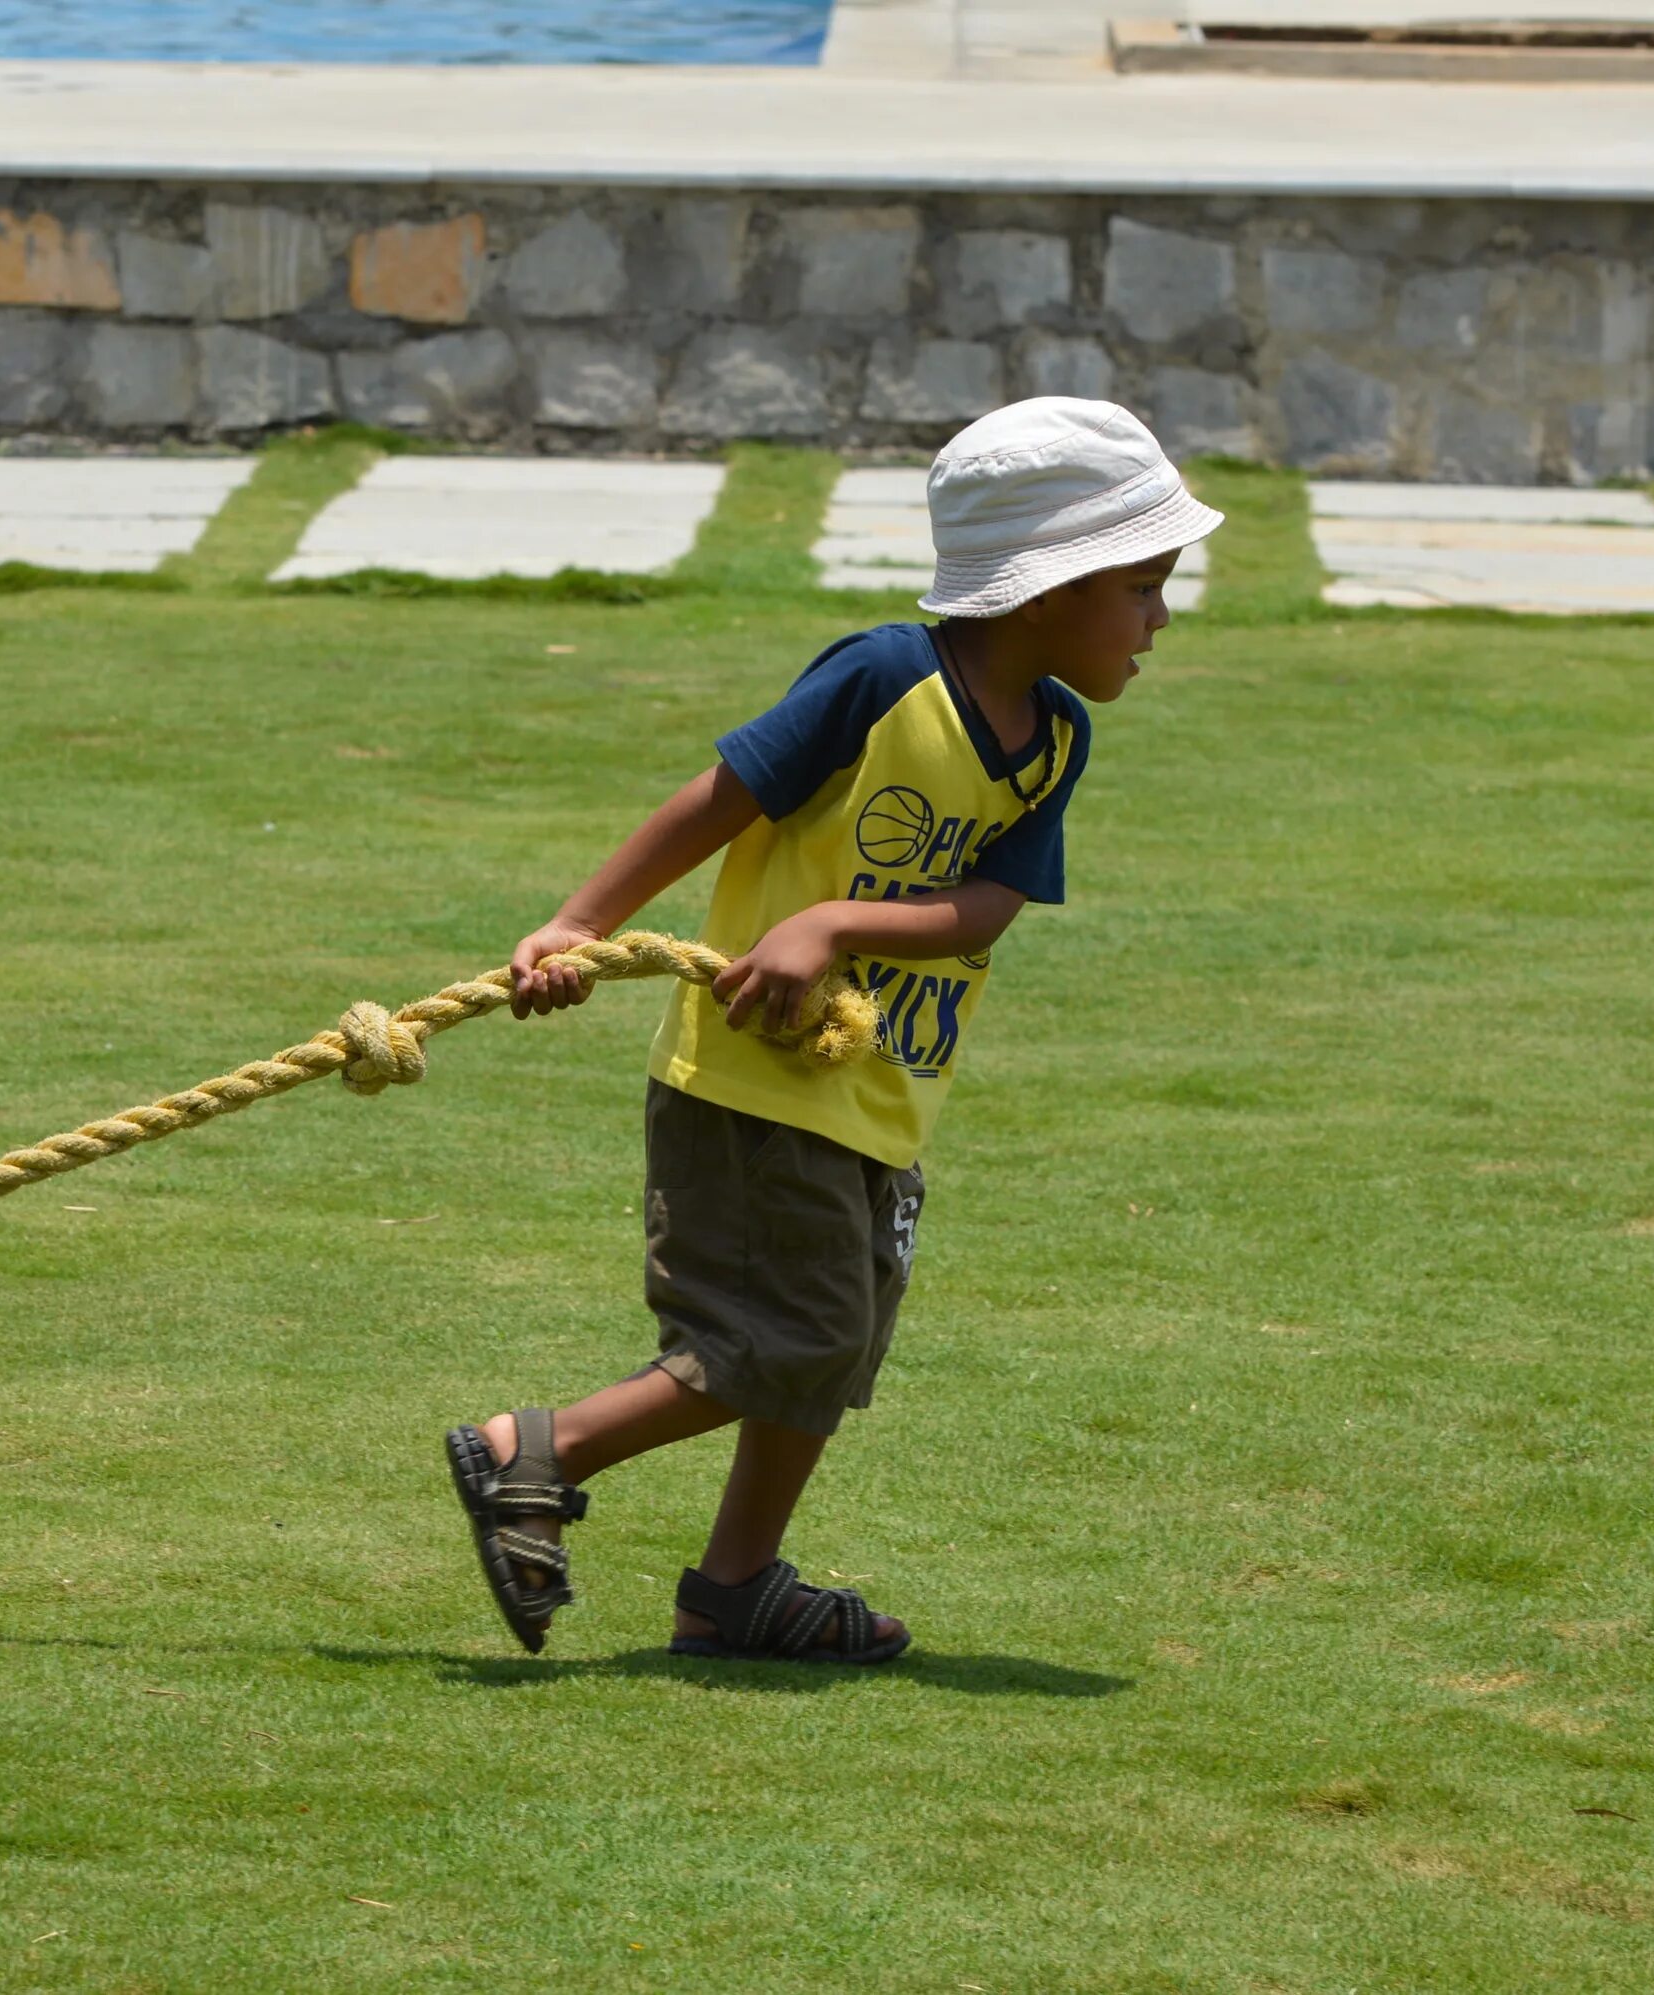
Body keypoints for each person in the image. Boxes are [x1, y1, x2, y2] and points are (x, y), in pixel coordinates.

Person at [442, 398, 1223, 1663]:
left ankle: (734, 1591)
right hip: (752, 1079)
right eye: (1142, 586)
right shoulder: (879, 678)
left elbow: (994, 902)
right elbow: (719, 796)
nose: (1159, 619)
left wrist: (843, 923)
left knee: (837, 1344)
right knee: (780, 1338)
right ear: (1049, 589)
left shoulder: (1054, 739)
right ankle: (534, 1451)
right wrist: (579, 922)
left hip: (880, 1090)